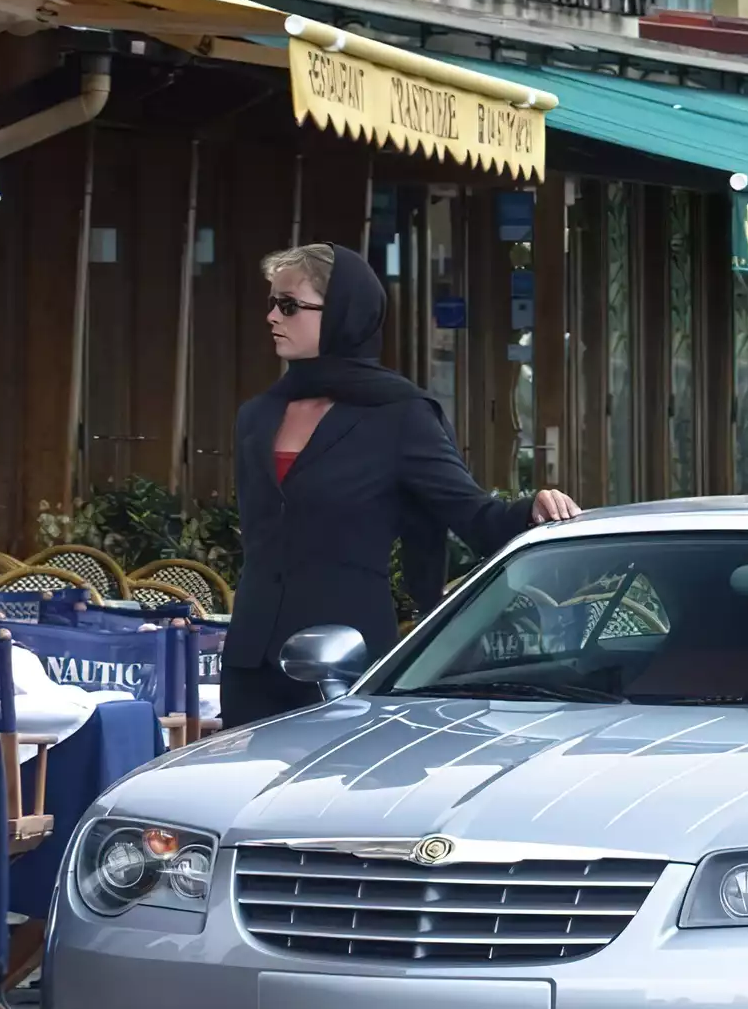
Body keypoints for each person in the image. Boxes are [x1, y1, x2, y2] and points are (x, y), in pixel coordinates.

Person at [221, 242, 579, 728]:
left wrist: (533, 507)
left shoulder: (399, 415)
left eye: (288, 305)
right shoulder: (256, 416)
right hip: (251, 662)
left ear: (344, 312)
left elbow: (472, 515)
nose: (271, 316)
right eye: (271, 303)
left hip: (346, 662)